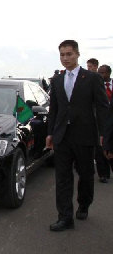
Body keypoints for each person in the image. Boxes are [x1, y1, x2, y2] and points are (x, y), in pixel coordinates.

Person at [46, 40, 109, 232]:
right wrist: (50, 133)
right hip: (62, 137)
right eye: (62, 55)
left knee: (86, 175)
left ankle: (84, 204)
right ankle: (65, 217)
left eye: (69, 54)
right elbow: (54, 110)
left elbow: (102, 107)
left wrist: (104, 134)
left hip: (85, 136)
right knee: (63, 177)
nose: (65, 58)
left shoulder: (91, 78)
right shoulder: (56, 80)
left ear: (77, 54)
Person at [96, 64, 113, 182]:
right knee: (101, 147)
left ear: (108, 73)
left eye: (102, 73)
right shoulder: (96, 86)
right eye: (99, 72)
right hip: (100, 121)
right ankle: (103, 174)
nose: (100, 75)